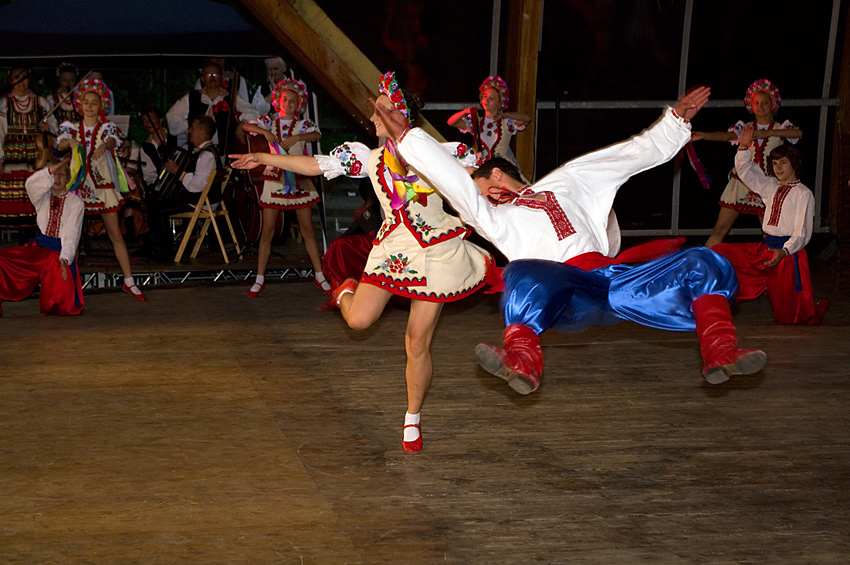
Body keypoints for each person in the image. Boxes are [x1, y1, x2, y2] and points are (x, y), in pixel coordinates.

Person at [377, 85, 767, 391]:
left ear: (495, 175)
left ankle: (720, 351)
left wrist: (674, 122)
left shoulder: (567, 181)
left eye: (481, 188)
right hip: (564, 291)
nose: (480, 199)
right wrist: (409, 138)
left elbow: (627, 157)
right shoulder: (496, 219)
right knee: (523, 274)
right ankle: (522, 361)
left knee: (705, 261)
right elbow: (456, 187)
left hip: (613, 279)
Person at [231, 72, 493, 453]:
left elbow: (480, 178)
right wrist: (263, 156)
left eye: (380, 110)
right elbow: (315, 166)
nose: (372, 117)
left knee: (416, 343)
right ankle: (343, 288)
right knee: (358, 320)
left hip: (438, 250)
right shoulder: (367, 158)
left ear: (397, 117)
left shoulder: (441, 152)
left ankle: (412, 418)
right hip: (395, 252)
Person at [710, 124, 829, 325]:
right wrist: (743, 148)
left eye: (783, 162)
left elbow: (802, 232)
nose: (779, 168)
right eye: (775, 164)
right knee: (721, 253)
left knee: (789, 318)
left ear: (794, 164)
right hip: (765, 249)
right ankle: (708, 292)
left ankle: (819, 307)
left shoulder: (804, 194)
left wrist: (784, 252)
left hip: (788, 255)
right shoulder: (770, 186)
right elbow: (747, 172)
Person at [56, 77, 146, 302]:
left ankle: (129, 282)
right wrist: (71, 143)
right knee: (72, 237)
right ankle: (70, 287)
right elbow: (59, 145)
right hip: (78, 186)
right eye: (85, 102)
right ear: (79, 104)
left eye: (94, 102)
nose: (89, 106)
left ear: (101, 105)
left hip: (102, 186)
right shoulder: (72, 128)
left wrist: (105, 145)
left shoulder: (107, 128)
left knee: (115, 234)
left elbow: (113, 141)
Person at [241, 78, 326, 297]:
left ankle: (320, 275)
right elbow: (245, 125)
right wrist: (265, 133)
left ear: (299, 106)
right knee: (267, 231)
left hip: (299, 178)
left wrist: (298, 137)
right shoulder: (269, 122)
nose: (288, 103)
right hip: (275, 179)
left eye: (293, 101)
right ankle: (259, 278)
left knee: (307, 230)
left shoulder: (303, 125)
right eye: (284, 99)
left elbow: (317, 134)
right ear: (278, 101)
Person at [692, 79, 801, 248]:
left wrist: (770, 132)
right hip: (741, 183)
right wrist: (703, 135)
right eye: (757, 102)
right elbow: (726, 136)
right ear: (751, 105)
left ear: (773, 105)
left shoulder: (781, 127)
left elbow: (798, 133)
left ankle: (770, 268)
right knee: (720, 229)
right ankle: (703, 265)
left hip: (766, 185)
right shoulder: (745, 128)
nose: (761, 106)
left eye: (765, 102)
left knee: (769, 232)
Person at [0, 158, 84, 316]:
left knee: (61, 308)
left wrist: (65, 258)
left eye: (62, 175)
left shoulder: (76, 203)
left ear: (68, 178)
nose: (57, 179)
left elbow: (71, 233)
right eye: (54, 175)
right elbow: (30, 184)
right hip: (39, 249)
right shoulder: (42, 197)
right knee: (3, 260)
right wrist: (50, 170)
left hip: (59, 252)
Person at [144, 115, 222, 258]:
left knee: (157, 205)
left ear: (201, 132)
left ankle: (164, 249)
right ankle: (155, 245)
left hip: (201, 201)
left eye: (192, 127)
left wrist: (178, 171)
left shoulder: (207, 155)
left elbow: (197, 186)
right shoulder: (201, 153)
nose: (188, 131)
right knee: (154, 196)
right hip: (199, 198)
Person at [0, 67, 56, 231]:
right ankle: (20, 239)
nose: (21, 83)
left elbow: (54, 126)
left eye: (24, 78)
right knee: (16, 195)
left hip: (36, 153)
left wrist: (48, 128)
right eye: (17, 78)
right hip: (13, 153)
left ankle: (35, 233)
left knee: (37, 191)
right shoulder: (4, 103)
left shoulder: (41, 101)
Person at [166, 61, 258, 151]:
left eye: (215, 75)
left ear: (221, 77)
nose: (212, 78)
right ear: (202, 78)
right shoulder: (192, 97)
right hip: (197, 152)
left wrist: (242, 124)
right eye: (208, 75)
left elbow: (253, 114)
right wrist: (191, 127)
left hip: (223, 153)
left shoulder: (231, 98)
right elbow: (172, 117)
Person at [446, 76, 531, 169]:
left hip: (502, 166)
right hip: (482, 166)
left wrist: (506, 115)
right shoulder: (476, 121)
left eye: (492, 98)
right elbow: (451, 122)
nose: (487, 100)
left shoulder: (506, 122)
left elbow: (526, 119)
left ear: (500, 103)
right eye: (485, 96)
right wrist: (465, 111)